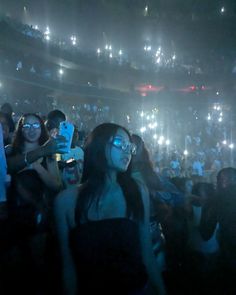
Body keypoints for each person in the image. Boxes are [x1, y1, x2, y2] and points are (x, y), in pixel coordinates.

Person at [54, 123, 165, 295]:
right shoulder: (65, 201)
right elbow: (67, 265)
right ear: (99, 145)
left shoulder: (136, 191)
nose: (127, 151)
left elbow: (147, 253)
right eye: (120, 143)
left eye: (130, 147)